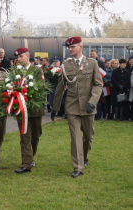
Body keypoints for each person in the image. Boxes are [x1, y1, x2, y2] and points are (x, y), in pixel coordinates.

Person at [52, 36, 103, 178]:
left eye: (73, 46)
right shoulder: (65, 65)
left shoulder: (92, 64)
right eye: (69, 47)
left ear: (80, 47)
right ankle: (78, 167)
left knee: (88, 136)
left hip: (88, 106)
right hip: (72, 106)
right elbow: (61, 86)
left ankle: (85, 157)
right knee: (75, 138)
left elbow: (98, 84)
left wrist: (92, 102)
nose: (70, 49)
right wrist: (55, 107)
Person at [14, 48, 45, 174]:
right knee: (24, 135)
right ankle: (26, 163)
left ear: (27, 56)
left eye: (21, 56)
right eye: (18, 57)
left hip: (35, 108)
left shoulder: (37, 70)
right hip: (21, 109)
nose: (19, 59)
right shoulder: (16, 71)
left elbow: (41, 87)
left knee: (36, 135)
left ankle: (31, 156)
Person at [89, 50, 106, 120]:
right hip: (89, 83)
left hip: (98, 82)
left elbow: (104, 72)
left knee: (98, 99)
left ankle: (97, 115)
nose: (92, 55)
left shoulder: (101, 63)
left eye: (93, 54)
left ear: (96, 55)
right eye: (91, 54)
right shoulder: (87, 62)